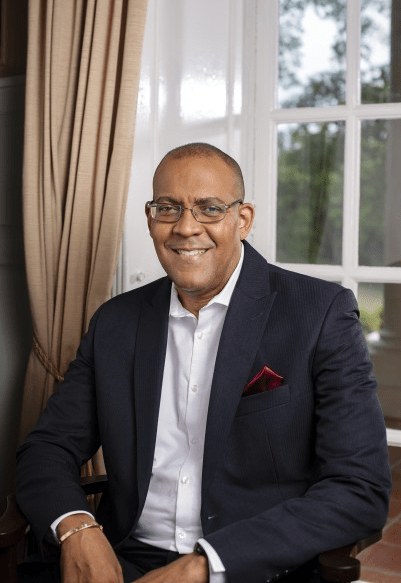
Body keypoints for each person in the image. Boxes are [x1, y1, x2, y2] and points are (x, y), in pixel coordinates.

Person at [16, 142, 391, 583]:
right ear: (150, 219)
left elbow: (359, 488)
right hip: (122, 559)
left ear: (242, 219)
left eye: (209, 208)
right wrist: (77, 528)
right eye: (167, 208)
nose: (186, 227)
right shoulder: (115, 322)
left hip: (251, 567)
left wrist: (206, 564)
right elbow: (47, 448)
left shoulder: (320, 313)